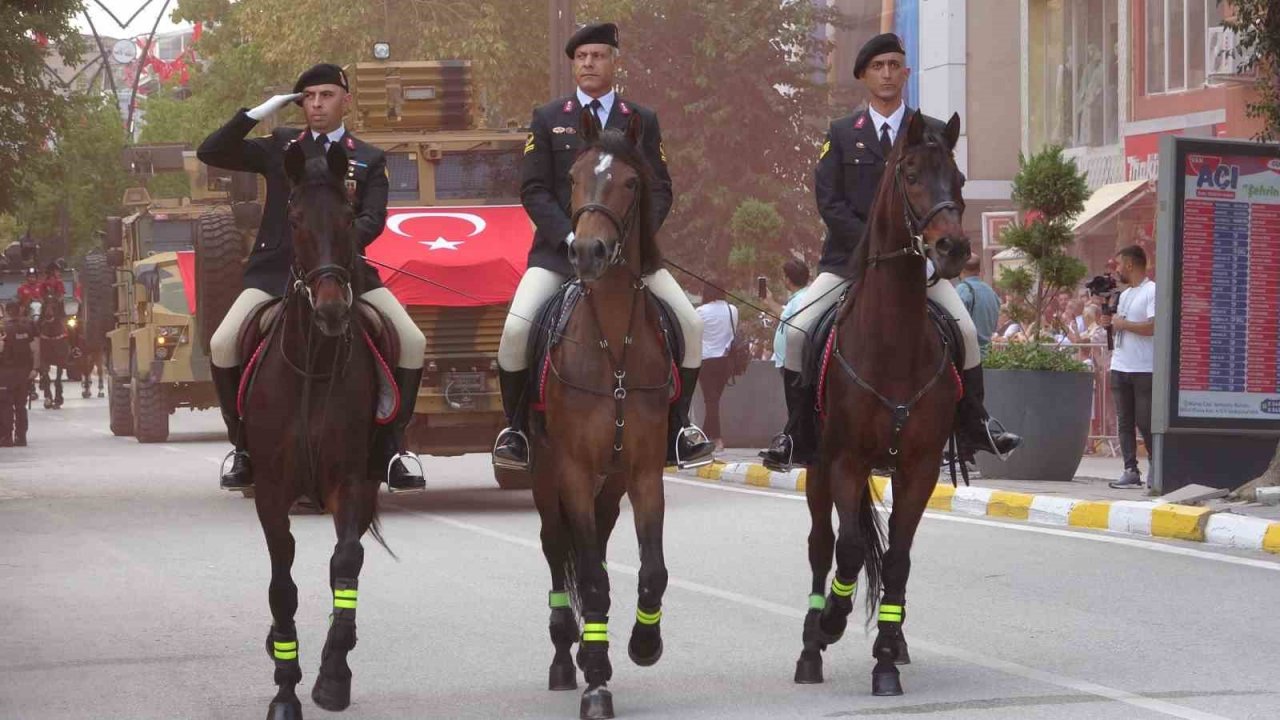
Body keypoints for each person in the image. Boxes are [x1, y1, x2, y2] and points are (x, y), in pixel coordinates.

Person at [760, 33, 1021, 471]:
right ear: (864, 75)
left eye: (894, 65)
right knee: (798, 330)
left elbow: (946, 192)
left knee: (965, 331)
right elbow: (829, 200)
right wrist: (869, 244)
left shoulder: (933, 131)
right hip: (848, 264)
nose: (886, 73)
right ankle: (797, 432)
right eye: (878, 66)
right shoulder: (842, 134)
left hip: (915, 268)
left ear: (907, 73)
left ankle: (976, 423)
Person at [491, 22, 714, 471]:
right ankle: (517, 431)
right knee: (515, 333)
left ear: (615, 61)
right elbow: (535, 190)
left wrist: (629, 243)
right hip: (561, 254)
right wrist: (572, 238)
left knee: (689, 325)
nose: (589, 63)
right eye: (581, 57)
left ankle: (680, 427)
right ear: (574, 64)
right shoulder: (549, 118)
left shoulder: (641, 120)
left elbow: (661, 189)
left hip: (630, 260)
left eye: (597, 55)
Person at [198, 62, 427, 492]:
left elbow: (374, 219)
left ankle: (393, 449)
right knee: (222, 343)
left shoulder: (369, 157)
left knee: (412, 340)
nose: (316, 104)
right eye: (308, 97)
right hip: (275, 271)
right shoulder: (282, 146)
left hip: (342, 273)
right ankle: (243, 448)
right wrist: (256, 114)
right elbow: (212, 151)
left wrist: (333, 251)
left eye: (325, 95)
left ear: (346, 100)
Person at [1101, 245, 1156, 489]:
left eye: (1120, 264)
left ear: (1131, 265)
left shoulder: (1152, 291)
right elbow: (1118, 325)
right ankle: (1130, 468)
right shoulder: (1124, 295)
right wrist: (1110, 324)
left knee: (1145, 421)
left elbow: (1152, 327)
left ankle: (1157, 464)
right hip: (1121, 364)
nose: (1118, 269)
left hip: (1144, 368)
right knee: (1124, 421)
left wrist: (1124, 324)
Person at [695, 282, 738, 453]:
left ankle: (718, 439)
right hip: (726, 361)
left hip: (706, 360)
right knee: (713, 400)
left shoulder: (700, 312)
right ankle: (703, 436)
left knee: (710, 401)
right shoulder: (732, 310)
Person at [0, 300, 39, 447]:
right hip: (24, 373)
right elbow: (35, 348)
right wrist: (35, 368)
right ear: (20, 310)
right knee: (21, 406)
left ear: (7, 311)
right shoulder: (28, 326)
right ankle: (21, 437)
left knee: (5, 406)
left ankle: (6, 437)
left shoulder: (3, 328)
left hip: (4, 374)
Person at [954, 255, 999, 360]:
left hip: (969, 355)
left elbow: (955, 324)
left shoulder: (962, 290)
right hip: (988, 355)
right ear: (979, 270)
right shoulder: (991, 291)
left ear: (960, 269)